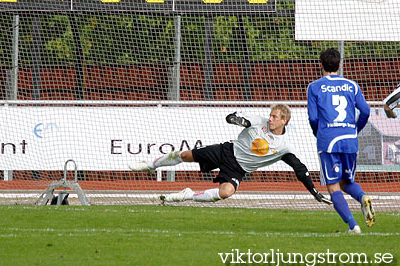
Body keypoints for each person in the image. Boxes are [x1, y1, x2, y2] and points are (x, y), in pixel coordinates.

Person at [129, 104, 332, 206]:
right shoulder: (258, 120)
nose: (270, 119)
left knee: (226, 192)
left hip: (238, 169)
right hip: (226, 151)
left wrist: (314, 192)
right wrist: (238, 120)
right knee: (185, 155)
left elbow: (300, 169)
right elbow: (233, 118)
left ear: (284, 121)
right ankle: (151, 164)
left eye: (274, 117)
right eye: (270, 115)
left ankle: (188, 194)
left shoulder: (284, 146)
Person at [307, 48, 373, 234]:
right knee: (346, 181)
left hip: (328, 139)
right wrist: (354, 129)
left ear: (321, 64)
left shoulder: (315, 86)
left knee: (333, 185)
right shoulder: (352, 85)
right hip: (350, 139)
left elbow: (313, 118)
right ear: (339, 64)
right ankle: (362, 197)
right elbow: (366, 111)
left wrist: (318, 133)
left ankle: (353, 226)